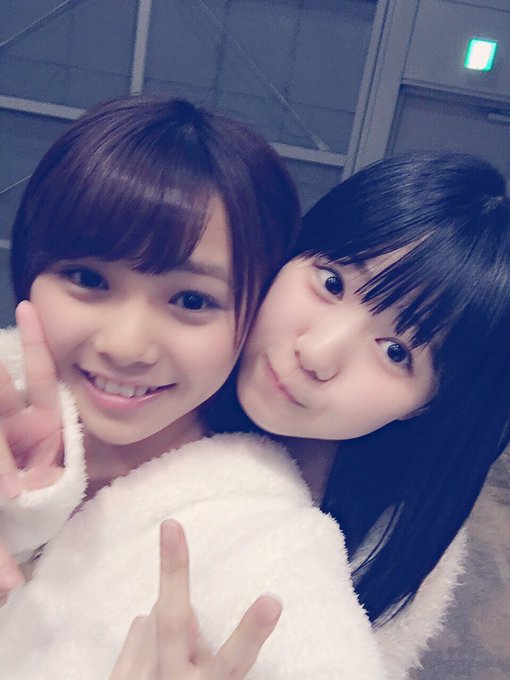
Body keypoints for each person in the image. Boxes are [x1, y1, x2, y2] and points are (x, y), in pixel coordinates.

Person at [0, 96, 389, 679]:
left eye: (191, 299)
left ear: (253, 315)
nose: (127, 345)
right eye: (88, 278)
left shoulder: (265, 540)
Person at [111, 151, 510, 679]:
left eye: (396, 352)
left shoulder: (378, 547)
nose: (317, 353)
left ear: (428, 405)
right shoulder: (129, 370)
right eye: (331, 283)